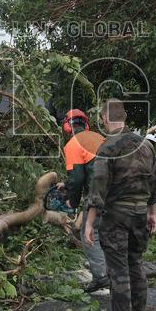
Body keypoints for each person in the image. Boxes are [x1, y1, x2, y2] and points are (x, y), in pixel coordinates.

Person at [84, 99, 156, 311]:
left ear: (105, 119)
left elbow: (98, 189)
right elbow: (154, 183)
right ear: (124, 117)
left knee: (118, 271)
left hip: (116, 216)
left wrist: (89, 223)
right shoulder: (146, 145)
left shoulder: (108, 147)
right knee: (136, 265)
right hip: (140, 215)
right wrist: (152, 213)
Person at [59, 108, 109, 292]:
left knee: (89, 233)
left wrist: (72, 202)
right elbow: (91, 167)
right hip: (118, 191)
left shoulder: (73, 143)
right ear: (86, 124)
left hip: (98, 193)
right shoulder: (99, 137)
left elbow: (77, 178)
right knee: (107, 231)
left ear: (67, 126)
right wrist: (66, 184)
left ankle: (101, 277)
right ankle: (112, 271)